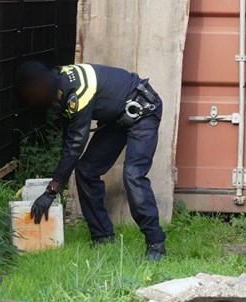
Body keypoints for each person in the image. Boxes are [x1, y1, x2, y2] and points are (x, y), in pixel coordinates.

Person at [16, 61, 167, 260]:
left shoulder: (75, 93)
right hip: (118, 118)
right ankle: (102, 237)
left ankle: (155, 243)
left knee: (133, 175)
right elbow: (68, 139)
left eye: (29, 92)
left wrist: (52, 189)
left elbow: (76, 144)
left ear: (37, 86)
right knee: (86, 169)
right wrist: (57, 180)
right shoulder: (57, 83)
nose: (30, 98)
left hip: (142, 110)